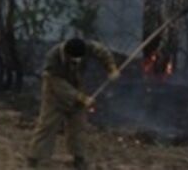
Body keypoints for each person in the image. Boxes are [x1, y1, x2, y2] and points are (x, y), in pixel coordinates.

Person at [27, 37, 120, 169]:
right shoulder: (53, 58)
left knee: (78, 128)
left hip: (76, 85)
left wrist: (111, 67)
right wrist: (81, 97)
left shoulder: (87, 46)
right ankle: (36, 158)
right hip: (55, 93)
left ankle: (79, 158)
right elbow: (58, 84)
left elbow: (102, 51)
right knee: (47, 126)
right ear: (66, 53)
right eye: (74, 59)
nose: (77, 62)